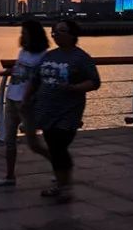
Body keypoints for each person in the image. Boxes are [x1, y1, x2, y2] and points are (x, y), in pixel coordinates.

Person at [28, 20, 100, 202]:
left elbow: (94, 82)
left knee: (59, 146)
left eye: (60, 31)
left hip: (68, 111)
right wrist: (26, 99)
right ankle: (61, 185)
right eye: (53, 32)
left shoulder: (81, 58)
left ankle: (64, 187)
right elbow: (35, 79)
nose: (55, 35)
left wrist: (74, 88)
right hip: (46, 111)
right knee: (54, 147)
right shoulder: (49, 56)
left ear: (72, 34)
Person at [0, 20, 51, 186]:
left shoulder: (43, 56)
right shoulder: (23, 52)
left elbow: (38, 80)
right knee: (9, 141)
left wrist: (28, 99)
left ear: (34, 35)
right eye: (22, 33)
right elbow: (16, 70)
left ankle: (58, 165)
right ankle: (9, 176)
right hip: (11, 99)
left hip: (27, 104)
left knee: (33, 144)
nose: (23, 36)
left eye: (25, 33)